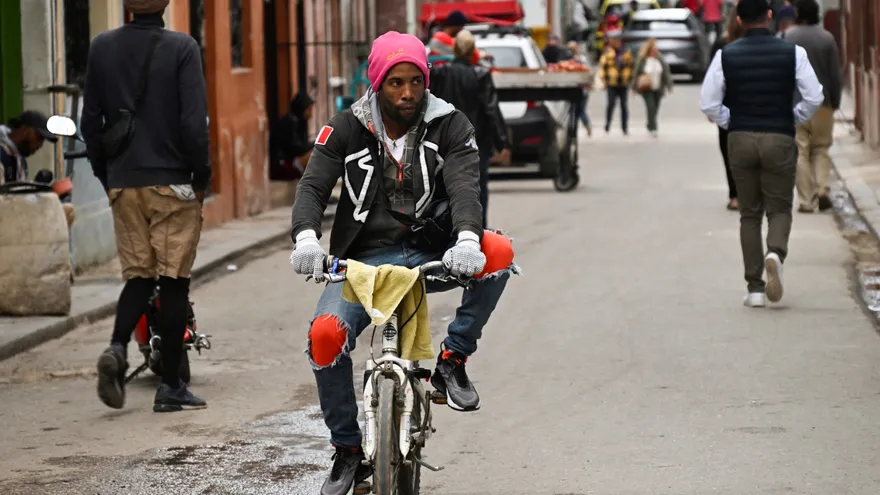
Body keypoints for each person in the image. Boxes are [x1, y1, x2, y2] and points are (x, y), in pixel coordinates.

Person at [289, 31, 513, 495]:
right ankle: (348, 450)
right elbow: (313, 186)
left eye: (415, 80)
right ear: (376, 83)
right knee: (325, 336)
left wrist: (467, 239)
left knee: (500, 253)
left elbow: (465, 186)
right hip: (362, 261)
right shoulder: (345, 127)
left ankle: (452, 360)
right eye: (395, 83)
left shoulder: (450, 124)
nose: (407, 92)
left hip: (433, 254)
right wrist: (307, 238)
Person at [81, 0, 211, 412]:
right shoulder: (183, 47)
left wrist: (108, 176)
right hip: (172, 182)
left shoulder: (101, 46)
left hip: (124, 181)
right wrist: (201, 174)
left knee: (138, 277)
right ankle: (170, 385)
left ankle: (117, 348)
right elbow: (194, 122)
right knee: (173, 282)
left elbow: (91, 124)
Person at [699, 0, 823, 308]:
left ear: (739, 20)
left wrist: (733, 122)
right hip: (779, 136)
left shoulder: (724, 56)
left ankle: (754, 289)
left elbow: (709, 103)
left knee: (749, 213)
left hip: (740, 138)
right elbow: (814, 95)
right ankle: (775, 252)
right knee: (779, 209)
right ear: (769, 16)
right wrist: (792, 117)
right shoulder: (793, 54)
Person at [430, 30, 510, 228]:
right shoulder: (481, 75)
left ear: (454, 49)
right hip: (475, 143)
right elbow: (491, 110)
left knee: (445, 186)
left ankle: (448, 227)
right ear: (473, 51)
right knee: (477, 187)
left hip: (446, 142)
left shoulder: (441, 74)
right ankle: (478, 229)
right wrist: (502, 143)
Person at [784, 0, 843, 213]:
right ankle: (823, 188)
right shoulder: (827, 38)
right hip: (822, 103)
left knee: (800, 150)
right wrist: (835, 101)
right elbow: (834, 74)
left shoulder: (788, 37)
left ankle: (807, 201)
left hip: (795, 103)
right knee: (821, 148)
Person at [710, 9, 745, 211]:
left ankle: (735, 195)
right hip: (755, 107)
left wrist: (712, 107)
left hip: (727, 108)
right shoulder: (760, 46)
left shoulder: (723, 45)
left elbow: (713, 78)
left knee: (729, 152)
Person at [0, 110, 58, 184]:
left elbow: (17, 191)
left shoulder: (21, 161)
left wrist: (36, 185)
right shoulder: (2, 155)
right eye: (39, 137)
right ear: (24, 129)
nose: (40, 145)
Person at [632, 38, 673, 137]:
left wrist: (669, 85)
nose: (655, 50)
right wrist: (634, 87)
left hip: (658, 87)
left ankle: (650, 122)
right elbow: (636, 73)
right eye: (653, 48)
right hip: (646, 87)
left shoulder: (660, 58)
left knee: (656, 107)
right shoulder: (642, 59)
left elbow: (666, 72)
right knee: (650, 106)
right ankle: (653, 127)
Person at [270, 92, 315, 181]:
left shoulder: (295, 121)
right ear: (302, 108)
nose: (311, 113)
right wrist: (314, 144)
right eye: (309, 109)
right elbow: (295, 148)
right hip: (282, 166)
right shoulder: (290, 121)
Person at [599, 32, 635, 135]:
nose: (617, 43)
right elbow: (603, 67)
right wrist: (603, 80)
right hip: (612, 82)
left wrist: (630, 78)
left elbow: (631, 66)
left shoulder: (626, 53)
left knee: (624, 106)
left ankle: (624, 127)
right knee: (611, 104)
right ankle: (608, 123)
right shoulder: (608, 53)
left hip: (623, 83)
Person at [567, 41, 594, 136]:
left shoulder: (575, 60)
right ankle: (581, 127)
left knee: (577, 111)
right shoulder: (579, 59)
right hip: (580, 89)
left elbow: (589, 72)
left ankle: (579, 128)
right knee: (577, 111)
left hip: (581, 89)